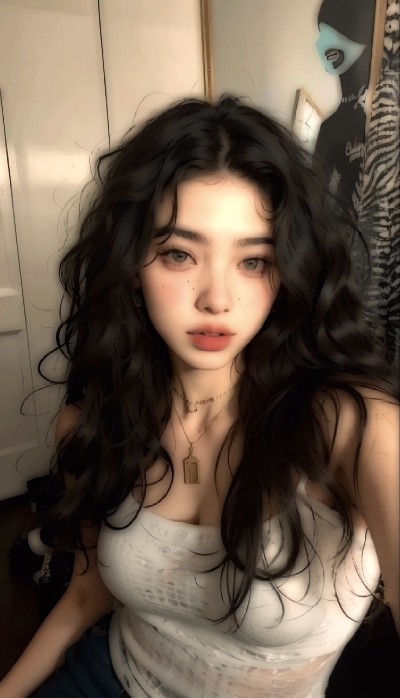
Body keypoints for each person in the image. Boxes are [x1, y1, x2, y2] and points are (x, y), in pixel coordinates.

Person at [1, 95, 398, 698]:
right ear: (131, 266)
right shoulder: (93, 423)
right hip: (109, 678)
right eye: (179, 254)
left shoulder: (355, 429)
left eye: (254, 261)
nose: (216, 298)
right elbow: (86, 594)